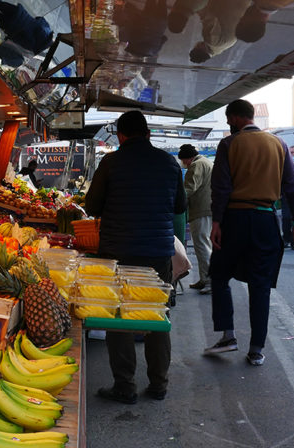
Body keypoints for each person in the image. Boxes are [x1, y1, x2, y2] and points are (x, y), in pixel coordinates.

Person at [86, 110, 187, 404]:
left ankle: (125, 385)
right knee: (157, 315)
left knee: (119, 317)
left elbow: (92, 205)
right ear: (148, 133)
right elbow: (180, 206)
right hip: (157, 254)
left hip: (118, 252)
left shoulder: (111, 162)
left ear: (120, 135)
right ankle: (159, 384)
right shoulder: (169, 163)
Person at [204, 99, 294, 366]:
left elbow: (222, 187)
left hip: (235, 219)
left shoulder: (229, 144)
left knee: (219, 274)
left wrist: (216, 222)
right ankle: (257, 349)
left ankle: (228, 335)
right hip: (266, 220)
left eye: (229, 120)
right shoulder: (279, 144)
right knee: (260, 286)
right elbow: (293, 188)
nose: (228, 125)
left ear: (236, 118)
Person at [178, 143, 214, 293]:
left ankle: (209, 281)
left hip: (201, 210)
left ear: (188, 158)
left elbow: (189, 188)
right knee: (204, 245)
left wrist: (177, 200)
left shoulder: (197, 165)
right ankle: (204, 278)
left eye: (184, 161)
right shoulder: (206, 162)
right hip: (208, 210)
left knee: (202, 246)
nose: (184, 165)